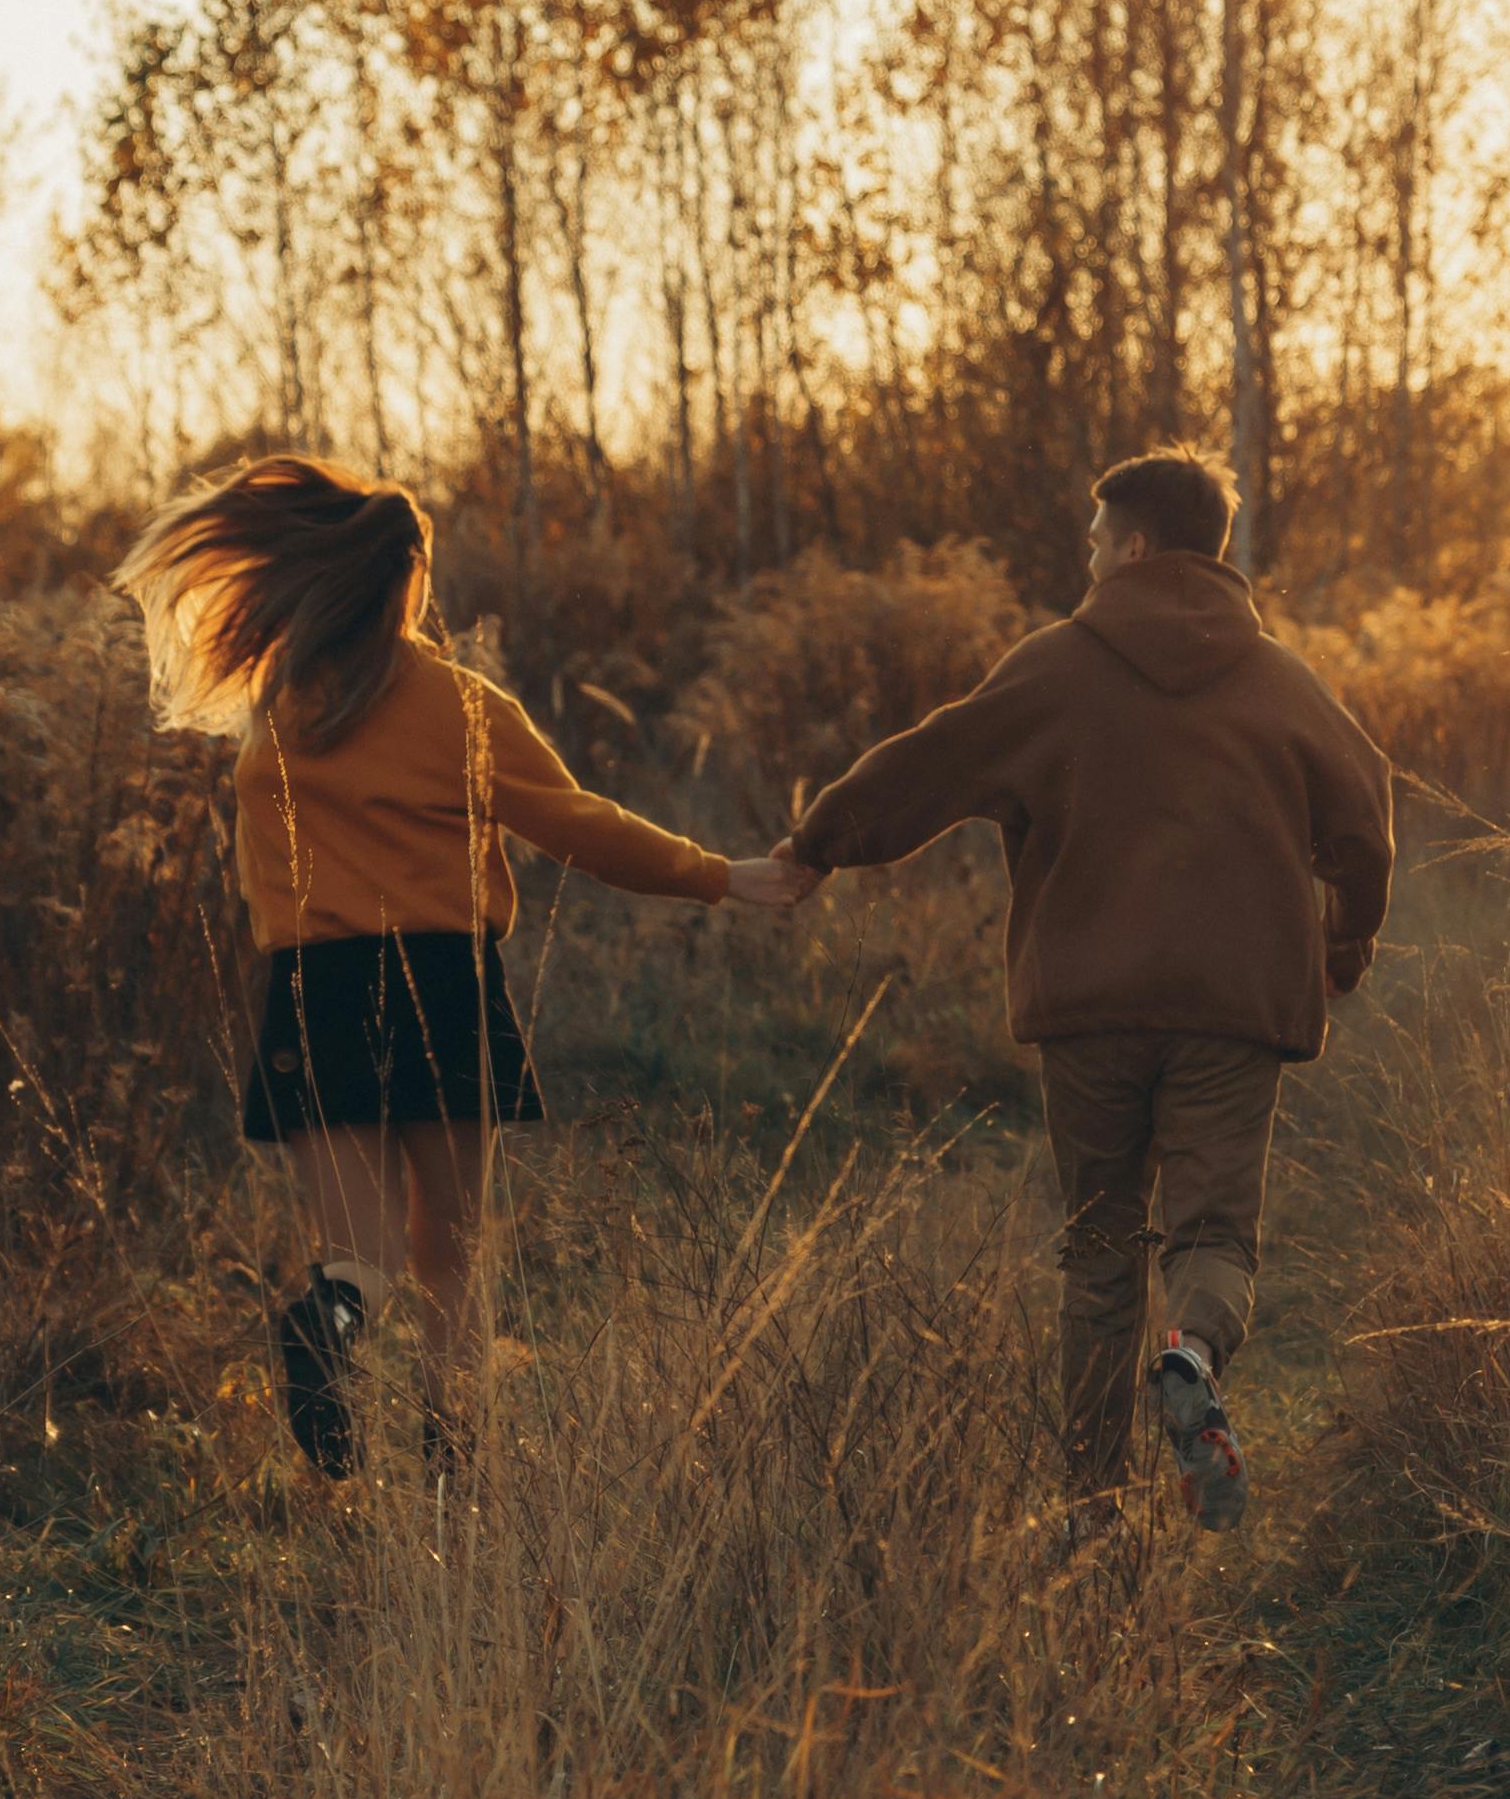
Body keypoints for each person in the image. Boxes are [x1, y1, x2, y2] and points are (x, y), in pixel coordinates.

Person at [117, 452, 808, 1480]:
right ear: (408, 581)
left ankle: (332, 1335)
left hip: (313, 993)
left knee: (361, 1256)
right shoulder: (457, 705)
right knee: (453, 1252)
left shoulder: (279, 713)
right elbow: (580, 824)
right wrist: (718, 875)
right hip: (438, 984)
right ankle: (455, 1465)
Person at [771, 447, 1392, 1533]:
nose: (1091, 559)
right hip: (1235, 1010)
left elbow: (933, 759)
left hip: (1091, 1010)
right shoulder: (1283, 679)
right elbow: (1366, 818)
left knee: (1102, 1246)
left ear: (1138, 545)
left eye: (1098, 540)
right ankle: (1192, 1355)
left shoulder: (1054, 666)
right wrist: (1344, 948)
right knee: (1214, 1235)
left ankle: (1092, 1508)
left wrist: (821, 840)